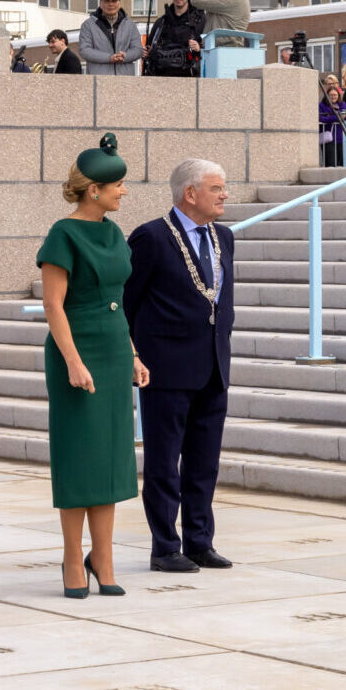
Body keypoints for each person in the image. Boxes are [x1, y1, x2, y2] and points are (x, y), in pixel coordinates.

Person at [38, 134, 148, 597]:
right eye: (117, 185)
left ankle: (103, 557)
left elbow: (117, 301)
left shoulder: (115, 232)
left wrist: (135, 355)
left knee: (110, 460)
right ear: (93, 191)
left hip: (113, 350)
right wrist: (72, 362)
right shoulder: (63, 234)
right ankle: (71, 557)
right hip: (75, 352)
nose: (124, 191)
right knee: (80, 457)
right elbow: (53, 306)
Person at [125, 157, 237, 573]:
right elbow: (128, 301)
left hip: (213, 363)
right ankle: (164, 546)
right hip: (166, 368)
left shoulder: (223, 236)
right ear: (190, 193)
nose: (225, 195)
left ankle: (199, 540)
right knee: (163, 460)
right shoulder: (152, 237)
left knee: (204, 461)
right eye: (216, 188)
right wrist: (133, 353)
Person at [143, 0, 206, 78]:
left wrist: (199, 49)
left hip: (190, 78)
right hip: (162, 77)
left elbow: (210, 50)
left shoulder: (200, 21)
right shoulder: (161, 22)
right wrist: (146, 52)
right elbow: (149, 49)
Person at [78, 0, 143, 76]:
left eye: (114, 1)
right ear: (100, 4)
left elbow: (138, 50)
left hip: (125, 80)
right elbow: (84, 50)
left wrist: (125, 56)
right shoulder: (88, 25)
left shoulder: (130, 25)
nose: (111, 4)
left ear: (119, 4)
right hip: (98, 80)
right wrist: (109, 58)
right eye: (107, 1)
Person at [317, 84, 346, 166]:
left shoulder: (343, 104)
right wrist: (337, 117)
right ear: (327, 95)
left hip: (340, 137)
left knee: (341, 163)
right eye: (331, 95)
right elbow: (320, 118)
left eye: (335, 95)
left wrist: (329, 117)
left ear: (338, 95)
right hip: (327, 138)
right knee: (330, 163)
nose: (333, 97)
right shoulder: (321, 105)